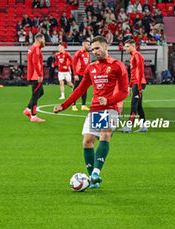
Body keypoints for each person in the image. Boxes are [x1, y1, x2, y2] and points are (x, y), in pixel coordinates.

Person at [53, 36, 129, 189]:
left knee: (105, 134)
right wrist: (65, 105)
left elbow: (124, 91)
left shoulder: (117, 66)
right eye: (93, 49)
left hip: (111, 108)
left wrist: (108, 101)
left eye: (97, 48)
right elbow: (80, 89)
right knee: (87, 141)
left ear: (106, 47)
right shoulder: (91, 68)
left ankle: (95, 172)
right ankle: (91, 180)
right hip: (95, 108)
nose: (94, 52)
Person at [119, 39, 147, 133]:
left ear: (133, 46)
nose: (125, 48)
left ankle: (129, 127)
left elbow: (140, 71)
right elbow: (133, 73)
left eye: (127, 46)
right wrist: (130, 86)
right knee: (138, 105)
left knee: (134, 104)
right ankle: (143, 126)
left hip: (139, 83)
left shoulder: (137, 56)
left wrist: (139, 87)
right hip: (136, 83)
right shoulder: (132, 57)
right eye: (125, 46)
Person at [23, 33, 46, 122]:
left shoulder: (32, 48)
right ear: (40, 40)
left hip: (33, 74)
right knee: (36, 95)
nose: (44, 41)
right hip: (35, 76)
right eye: (44, 39)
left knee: (41, 93)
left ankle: (28, 110)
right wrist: (40, 75)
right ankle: (33, 116)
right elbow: (36, 63)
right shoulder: (36, 49)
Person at [72, 39, 91, 111]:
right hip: (79, 74)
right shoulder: (78, 53)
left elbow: (88, 64)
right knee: (76, 89)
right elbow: (74, 64)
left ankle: (83, 105)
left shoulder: (88, 54)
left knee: (84, 89)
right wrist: (75, 74)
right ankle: (73, 105)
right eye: (88, 45)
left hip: (85, 75)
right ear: (84, 45)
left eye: (89, 45)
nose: (89, 46)